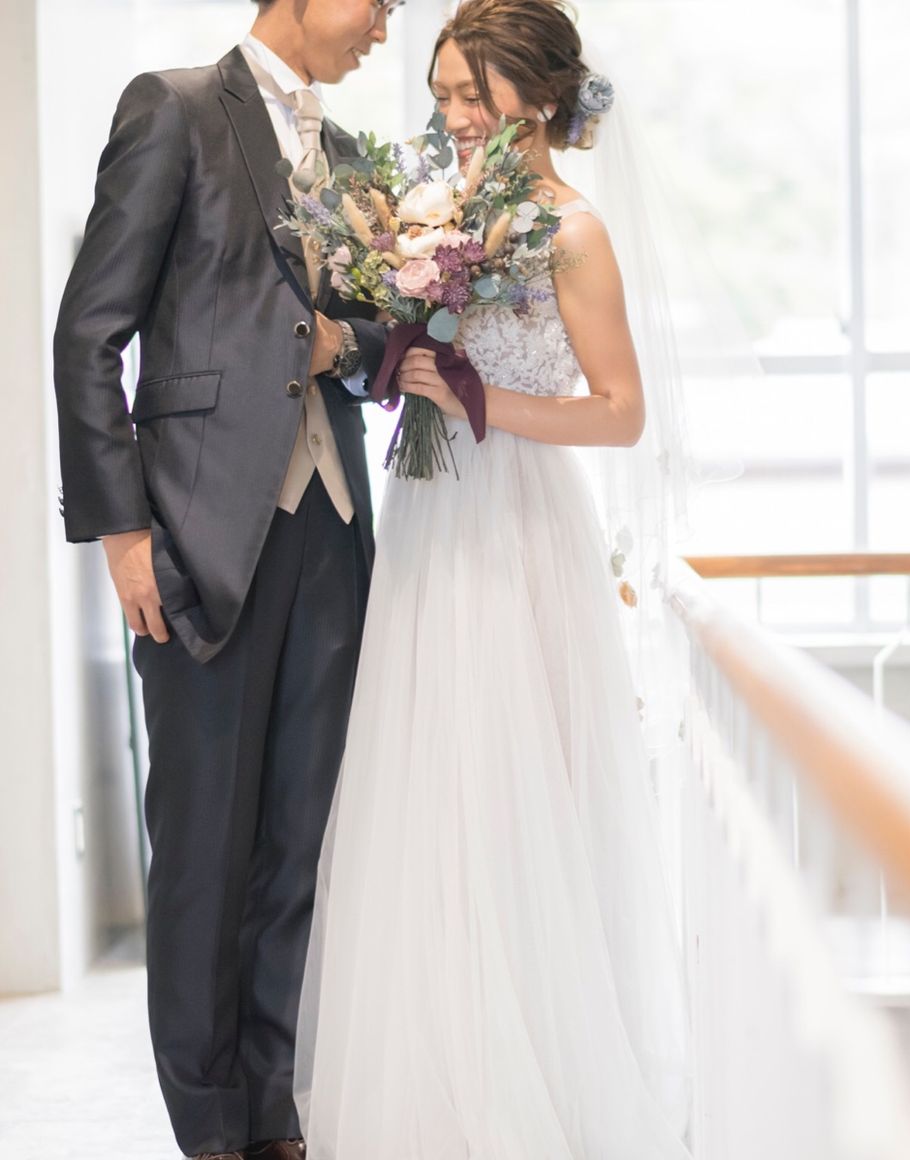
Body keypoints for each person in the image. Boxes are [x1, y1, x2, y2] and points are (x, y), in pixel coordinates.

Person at [293, 2, 693, 1156]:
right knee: (425, 785)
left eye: (473, 94)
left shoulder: (573, 230)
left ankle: (528, 1091)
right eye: (443, 96)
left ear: (540, 94)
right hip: (429, 514)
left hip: (517, 522)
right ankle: (433, 1090)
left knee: (510, 785)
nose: (455, 116)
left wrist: (473, 398)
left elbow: (619, 413)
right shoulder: (441, 210)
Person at [52, 2, 403, 1157]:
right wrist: (122, 533)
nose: (383, 25)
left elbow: (375, 339)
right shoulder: (177, 109)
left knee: (302, 837)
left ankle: (276, 1105)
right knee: (206, 841)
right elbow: (88, 333)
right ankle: (206, 1125)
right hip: (197, 533)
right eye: (377, 2)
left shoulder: (348, 154)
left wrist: (350, 344)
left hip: (333, 527)